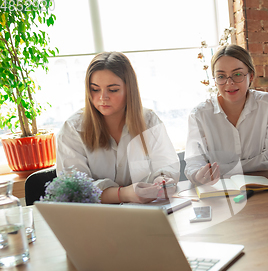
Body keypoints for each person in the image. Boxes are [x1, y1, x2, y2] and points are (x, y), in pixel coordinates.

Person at [57, 52, 179, 204]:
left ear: (129, 89)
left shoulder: (149, 121)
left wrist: (162, 180)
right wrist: (124, 194)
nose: (103, 97)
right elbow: (75, 191)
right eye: (95, 89)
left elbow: (166, 165)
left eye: (113, 90)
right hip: (97, 219)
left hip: (147, 214)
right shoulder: (73, 129)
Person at [184, 44, 268, 185]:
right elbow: (193, 163)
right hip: (220, 189)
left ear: (251, 75)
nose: (229, 83)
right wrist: (198, 175)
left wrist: (224, 168)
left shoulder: (266, 103)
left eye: (237, 74)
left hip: (264, 184)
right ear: (214, 80)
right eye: (221, 76)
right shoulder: (200, 115)